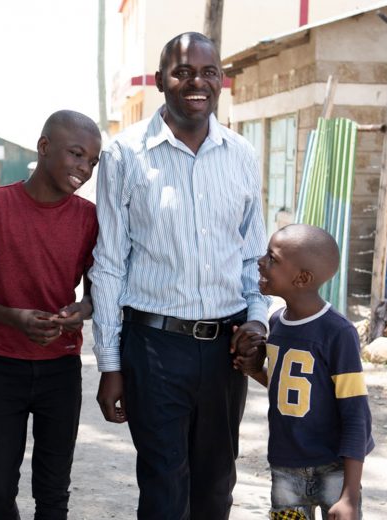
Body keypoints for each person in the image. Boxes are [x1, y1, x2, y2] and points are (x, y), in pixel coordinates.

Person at [89, 32, 270, 519]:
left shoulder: (242, 155)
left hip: (225, 349)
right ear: (159, 81)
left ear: (221, 80)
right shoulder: (124, 154)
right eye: (183, 71)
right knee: (164, 486)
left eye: (208, 72)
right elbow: (107, 264)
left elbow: (253, 256)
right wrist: (110, 364)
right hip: (153, 347)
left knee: (215, 488)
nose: (197, 82)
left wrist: (258, 322)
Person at [0, 110, 101, 519]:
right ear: (44, 146)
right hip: (4, 367)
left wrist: (79, 312)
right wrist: (14, 317)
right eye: (75, 155)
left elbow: (95, 296)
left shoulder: (89, 218)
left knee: (53, 492)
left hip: (61, 369)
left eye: (92, 161)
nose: (84, 169)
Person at [234, 224, 373, 520]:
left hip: (333, 468)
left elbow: (356, 415)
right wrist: (255, 369)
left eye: (272, 259)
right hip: (285, 466)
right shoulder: (277, 323)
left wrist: (349, 494)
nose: (261, 262)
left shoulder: (338, 333)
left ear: (302, 278)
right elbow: (294, 387)